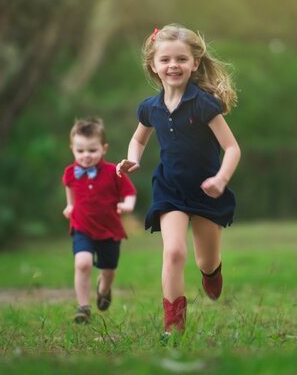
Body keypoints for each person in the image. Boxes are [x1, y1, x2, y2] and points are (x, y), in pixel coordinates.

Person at [116, 24, 240, 334]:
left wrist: (221, 179)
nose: (174, 65)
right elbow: (139, 140)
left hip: (207, 190)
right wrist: (133, 158)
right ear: (154, 66)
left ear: (195, 63)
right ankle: (174, 326)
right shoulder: (150, 108)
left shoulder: (203, 104)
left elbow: (232, 148)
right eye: (166, 60)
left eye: (181, 59)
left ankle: (211, 273)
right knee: (172, 252)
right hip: (169, 188)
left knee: (205, 260)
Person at [63, 117, 137, 323]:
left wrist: (128, 205)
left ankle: (104, 289)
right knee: (83, 263)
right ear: (72, 149)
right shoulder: (70, 172)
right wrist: (70, 205)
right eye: (80, 151)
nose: (86, 156)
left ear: (104, 149)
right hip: (82, 227)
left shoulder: (114, 172)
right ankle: (83, 307)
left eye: (92, 150)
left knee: (108, 270)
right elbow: (70, 188)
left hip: (109, 230)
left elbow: (129, 191)